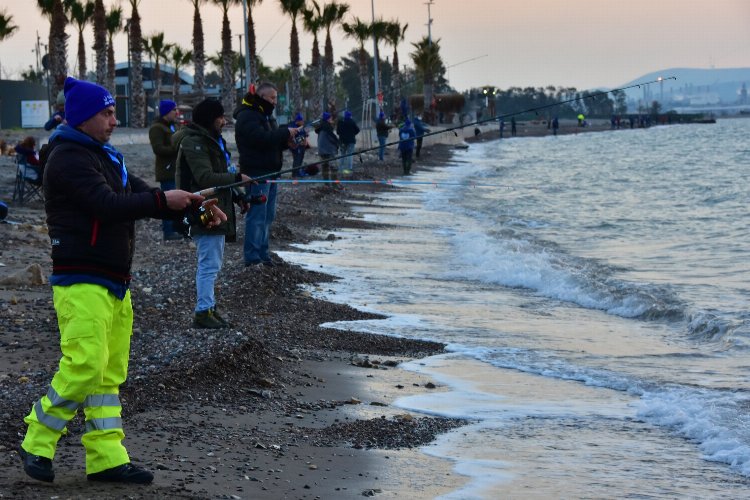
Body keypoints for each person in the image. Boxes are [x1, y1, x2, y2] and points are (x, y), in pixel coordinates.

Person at [18, 76, 225, 485]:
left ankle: (107, 458)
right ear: (83, 117)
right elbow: (107, 205)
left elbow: (140, 194)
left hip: (114, 280)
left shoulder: (104, 156)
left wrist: (191, 209)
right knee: (85, 365)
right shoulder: (68, 158)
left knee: (108, 374)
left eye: (114, 112)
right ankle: (36, 440)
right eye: (107, 113)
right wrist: (165, 200)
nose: (114, 120)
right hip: (81, 280)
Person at [174, 99, 250, 329]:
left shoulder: (212, 141)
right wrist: (237, 179)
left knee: (212, 263)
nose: (224, 120)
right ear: (210, 118)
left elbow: (220, 174)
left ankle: (209, 307)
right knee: (209, 264)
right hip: (203, 210)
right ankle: (203, 312)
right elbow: (205, 178)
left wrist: (238, 196)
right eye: (220, 117)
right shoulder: (193, 142)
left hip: (217, 207)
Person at [233, 82, 303, 267]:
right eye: (272, 98)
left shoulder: (266, 117)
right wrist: (283, 133)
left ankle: (264, 254)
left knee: (268, 216)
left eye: (275, 98)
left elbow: (271, 142)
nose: (275, 102)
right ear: (261, 97)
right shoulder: (248, 116)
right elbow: (259, 139)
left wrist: (287, 143)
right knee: (256, 216)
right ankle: (252, 257)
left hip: (271, 172)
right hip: (255, 173)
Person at [149, 99, 182, 240]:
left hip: (176, 170)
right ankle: (168, 231)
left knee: (178, 200)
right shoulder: (157, 128)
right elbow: (158, 149)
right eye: (174, 110)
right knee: (168, 201)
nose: (176, 112)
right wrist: (177, 149)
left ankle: (177, 229)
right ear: (166, 112)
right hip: (167, 171)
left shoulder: (173, 126)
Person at [316, 111, 340, 183]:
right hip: (329, 151)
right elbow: (333, 139)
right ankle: (334, 184)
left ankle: (326, 183)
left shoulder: (321, 127)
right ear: (328, 119)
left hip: (321, 151)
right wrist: (338, 143)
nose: (332, 119)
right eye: (330, 118)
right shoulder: (327, 127)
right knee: (334, 167)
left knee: (325, 167)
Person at [288, 112, 309, 178]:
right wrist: (300, 141)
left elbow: (304, 135)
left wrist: (305, 141)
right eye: (302, 120)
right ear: (298, 121)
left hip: (302, 146)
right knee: (297, 160)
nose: (303, 122)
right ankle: (294, 175)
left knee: (300, 159)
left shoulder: (301, 127)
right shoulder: (293, 127)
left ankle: (298, 172)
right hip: (296, 147)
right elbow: (292, 139)